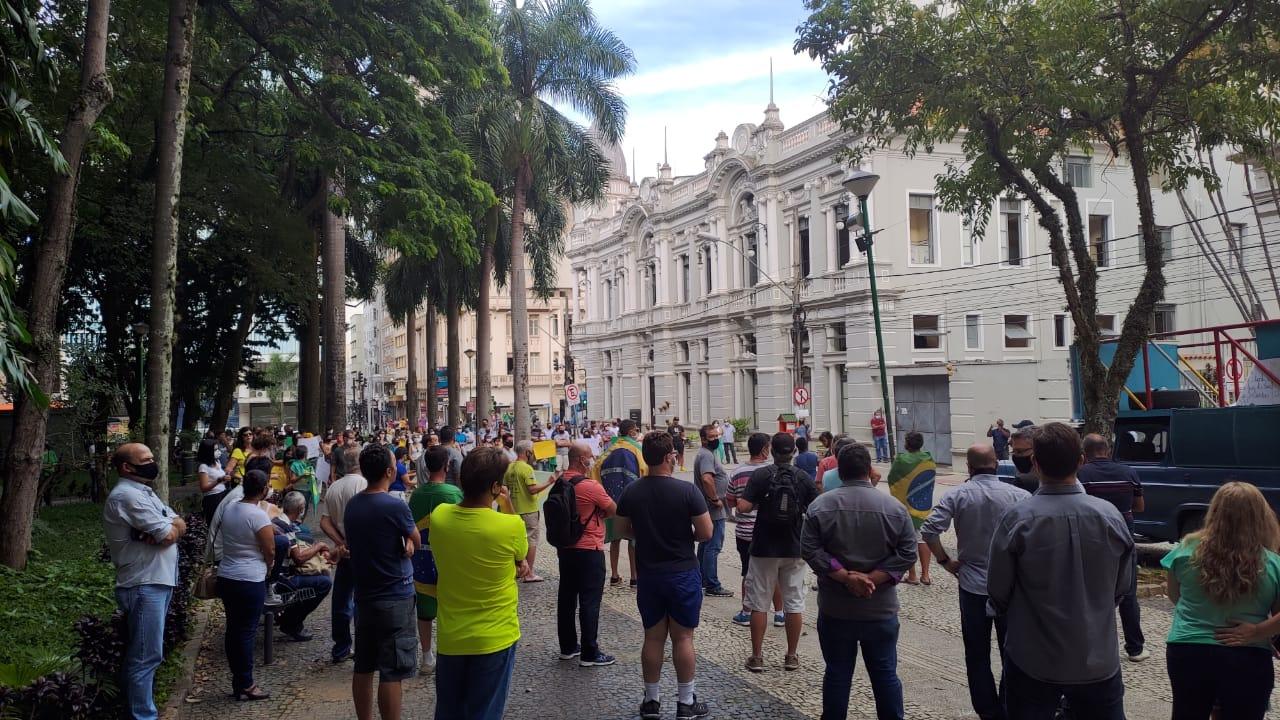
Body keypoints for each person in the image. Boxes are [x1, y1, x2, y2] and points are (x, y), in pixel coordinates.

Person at [987, 422, 1134, 719]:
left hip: (1033, 657)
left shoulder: (1017, 519)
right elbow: (1122, 587)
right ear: (1081, 461)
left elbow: (998, 590)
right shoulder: (1110, 517)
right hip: (1097, 657)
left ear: (1035, 463)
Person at [802, 443, 916, 720]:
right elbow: (908, 552)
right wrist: (873, 579)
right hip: (880, 609)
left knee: (838, 673)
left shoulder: (820, 506)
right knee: (885, 674)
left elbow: (809, 549)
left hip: (835, 608)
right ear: (869, 470)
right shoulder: (894, 509)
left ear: (839, 471)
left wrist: (845, 577)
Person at [921, 445, 1030, 720]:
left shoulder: (958, 495)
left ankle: (988, 711)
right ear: (996, 464)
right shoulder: (1020, 496)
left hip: (972, 584)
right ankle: (1008, 705)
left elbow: (929, 530)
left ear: (968, 467)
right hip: (1012, 587)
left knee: (977, 653)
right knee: (1014, 651)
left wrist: (945, 561)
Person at [615, 431, 712, 720]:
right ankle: (685, 702)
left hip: (649, 574)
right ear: (670, 456)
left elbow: (620, 531)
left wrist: (644, 536)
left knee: (653, 638)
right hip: (682, 571)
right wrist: (683, 537)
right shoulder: (687, 492)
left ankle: (651, 701)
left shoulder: (632, 491)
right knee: (683, 638)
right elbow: (706, 533)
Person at [430, 447, 530, 720]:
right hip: (495, 636)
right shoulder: (510, 527)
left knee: (449, 711)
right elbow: (521, 555)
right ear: (497, 487)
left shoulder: (440, 516)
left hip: (452, 637)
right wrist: (507, 504)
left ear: (462, 481)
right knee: (484, 712)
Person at [1169, 483, 1280, 720]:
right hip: (1246, 655)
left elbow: (1175, 596)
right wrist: (1257, 631)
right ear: (1261, 516)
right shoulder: (1271, 563)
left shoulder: (1184, 551)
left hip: (1188, 649)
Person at [103, 443, 187, 720]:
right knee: (145, 657)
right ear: (127, 467)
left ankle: (137, 711)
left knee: (146, 655)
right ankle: (143, 716)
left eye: (153, 457)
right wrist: (167, 530)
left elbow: (179, 525)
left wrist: (169, 527)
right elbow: (168, 535)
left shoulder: (145, 491)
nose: (153, 462)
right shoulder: (127, 496)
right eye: (146, 459)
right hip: (143, 584)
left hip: (155, 581)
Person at [345, 444, 421, 720]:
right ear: (390, 471)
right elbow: (416, 539)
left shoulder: (353, 506)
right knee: (392, 669)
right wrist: (408, 546)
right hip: (395, 593)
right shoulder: (394, 505)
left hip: (364, 595)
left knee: (363, 665)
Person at [737, 432, 818, 673]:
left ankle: (757, 656)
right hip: (794, 547)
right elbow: (816, 508)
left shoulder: (762, 475)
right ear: (793, 452)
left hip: (764, 546)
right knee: (794, 602)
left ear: (771, 451)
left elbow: (743, 506)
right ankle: (792, 656)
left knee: (759, 602)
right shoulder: (803, 477)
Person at [1077, 433, 1148, 662]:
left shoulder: (1081, 475)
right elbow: (1139, 506)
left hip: (1093, 541)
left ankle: (1097, 648)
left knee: (1094, 595)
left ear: (1084, 454)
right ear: (1108, 450)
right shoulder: (1129, 472)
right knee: (1128, 593)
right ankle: (1135, 648)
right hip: (1125, 539)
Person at [556, 441, 618, 666]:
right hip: (589, 549)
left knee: (567, 598)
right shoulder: (591, 486)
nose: (592, 459)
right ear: (581, 460)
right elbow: (612, 509)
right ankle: (590, 653)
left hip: (565, 549)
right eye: (590, 456)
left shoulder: (560, 482)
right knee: (590, 601)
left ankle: (568, 646)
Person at [216, 469, 275, 701]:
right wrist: (269, 566)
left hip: (227, 574)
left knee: (234, 629)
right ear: (263, 490)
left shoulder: (230, 508)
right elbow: (269, 548)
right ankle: (246, 683)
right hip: (249, 578)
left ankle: (238, 680)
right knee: (246, 632)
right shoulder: (258, 515)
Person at [408, 445, 462, 673]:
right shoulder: (452, 494)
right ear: (446, 465)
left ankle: (427, 656)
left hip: (421, 558)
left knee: (424, 609)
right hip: (448, 558)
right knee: (450, 607)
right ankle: (450, 653)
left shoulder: (416, 495)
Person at [726, 432, 784, 626]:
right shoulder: (774, 470)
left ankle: (746, 611)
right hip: (770, 530)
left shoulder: (737, 472)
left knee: (748, 572)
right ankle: (780, 613)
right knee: (774, 572)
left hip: (744, 532)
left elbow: (730, 500)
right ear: (765, 449)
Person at [319, 444, 367, 663]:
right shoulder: (364, 484)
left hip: (345, 550)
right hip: (363, 550)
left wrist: (340, 542)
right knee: (362, 599)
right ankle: (363, 646)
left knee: (341, 599)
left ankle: (341, 646)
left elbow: (324, 521)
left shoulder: (334, 487)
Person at [272, 491, 334, 642]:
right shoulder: (285, 527)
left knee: (318, 574)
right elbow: (299, 558)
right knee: (324, 583)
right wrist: (319, 545)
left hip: (275, 574)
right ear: (300, 508)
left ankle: (289, 619)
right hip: (280, 580)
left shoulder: (277, 520)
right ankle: (291, 622)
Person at [595, 419, 646, 587]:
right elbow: (646, 472)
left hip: (611, 503)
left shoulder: (608, 451)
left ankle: (615, 575)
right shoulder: (638, 450)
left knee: (615, 539)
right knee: (633, 540)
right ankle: (635, 577)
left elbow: (594, 471)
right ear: (632, 432)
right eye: (636, 429)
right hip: (634, 503)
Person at [502, 440, 558, 583]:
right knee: (531, 540)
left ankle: (517, 570)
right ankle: (529, 573)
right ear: (527, 452)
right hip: (528, 510)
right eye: (532, 451)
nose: (533, 454)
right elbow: (532, 489)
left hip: (512, 510)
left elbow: (504, 489)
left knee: (514, 541)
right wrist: (549, 481)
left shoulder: (509, 467)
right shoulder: (526, 469)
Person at [885, 431, 936, 585]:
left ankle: (912, 575)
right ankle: (926, 575)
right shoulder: (928, 459)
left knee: (907, 542)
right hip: (922, 507)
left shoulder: (900, 460)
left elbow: (892, 479)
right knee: (922, 540)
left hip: (905, 507)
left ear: (907, 444)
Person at [694, 423, 733, 598]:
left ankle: (702, 579)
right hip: (712, 508)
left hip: (707, 506)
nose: (715, 439)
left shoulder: (707, 454)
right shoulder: (706, 456)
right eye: (711, 437)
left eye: (717, 436)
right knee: (713, 546)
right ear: (703, 439)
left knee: (705, 544)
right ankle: (712, 584)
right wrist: (715, 499)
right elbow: (707, 479)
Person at [197, 437, 229, 524]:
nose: (218, 451)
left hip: (222, 494)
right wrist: (218, 480)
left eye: (217, 449)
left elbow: (221, 479)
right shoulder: (203, 467)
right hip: (213, 498)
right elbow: (204, 488)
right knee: (214, 524)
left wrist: (227, 477)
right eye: (215, 450)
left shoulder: (217, 462)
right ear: (208, 452)